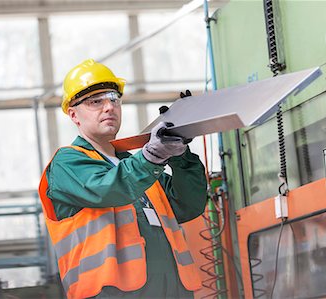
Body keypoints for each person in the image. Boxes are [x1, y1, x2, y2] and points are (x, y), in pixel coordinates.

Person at [38, 59, 207, 299]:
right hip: (112, 293)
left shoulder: (139, 166)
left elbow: (189, 205)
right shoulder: (67, 163)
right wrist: (152, 157)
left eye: (113, 99)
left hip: (173, 290)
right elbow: (108, 189)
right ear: (74, 115)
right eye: (95, 101)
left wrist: (180, 156)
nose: (109, 107)